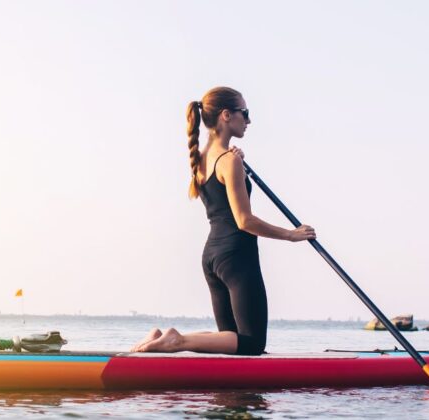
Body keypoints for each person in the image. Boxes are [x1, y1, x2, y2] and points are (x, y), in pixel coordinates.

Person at [131, 87, 316, 355]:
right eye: (245, 113)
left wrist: (235, 160)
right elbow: (244, 221)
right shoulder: (229, 161)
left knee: (231, 340)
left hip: (212, 256)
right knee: (252, 344)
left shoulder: (202, 160)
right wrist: (290, 234)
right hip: (237, 255)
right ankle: (176, 340)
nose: (249, 121)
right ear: (226, 115)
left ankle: (158, 338)